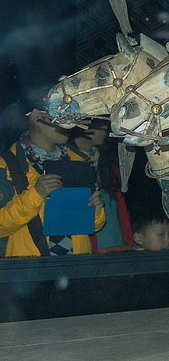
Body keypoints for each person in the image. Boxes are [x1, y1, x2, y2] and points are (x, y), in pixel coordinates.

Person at [1, 107, 106, 257]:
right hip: (29, 272)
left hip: (77, 269)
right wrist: (35, 195)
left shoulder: (79, 162)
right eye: (60, 116)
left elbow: (94, 227)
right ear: (37, 117)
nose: (68, 123)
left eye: (71, 117)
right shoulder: (6, 165)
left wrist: (96, 210)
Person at [69, 118, 133, 251]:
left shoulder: (109, 163)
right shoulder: (65, 161)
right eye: (96, 123)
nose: (104, 127)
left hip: (117, 244)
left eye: (105, 122)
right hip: (86, 248)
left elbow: (120, 208)